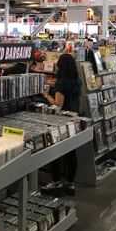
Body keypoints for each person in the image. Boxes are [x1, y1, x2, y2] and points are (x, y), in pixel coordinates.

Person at [41, 53, 82, 196]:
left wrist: (46, 95)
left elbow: (58, 104)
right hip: (74, 117)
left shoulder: (61, 83)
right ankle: (70, 183)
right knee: (71, 153)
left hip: (61, 120)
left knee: (56, 151)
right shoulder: (77, 80)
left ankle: (56, 181)